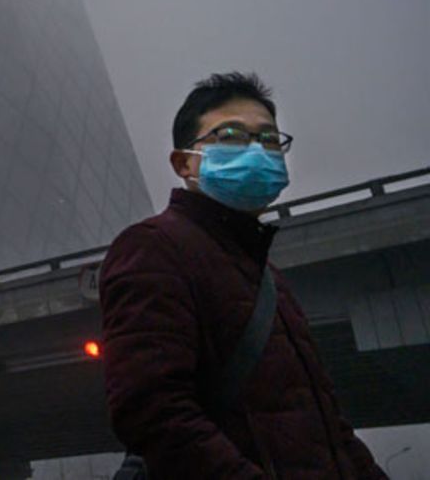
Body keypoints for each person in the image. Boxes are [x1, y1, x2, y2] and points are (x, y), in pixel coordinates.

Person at [99, 72, 384, 478]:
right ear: (184, 162)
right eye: (230, 136)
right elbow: (154, 412)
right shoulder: (153, 248)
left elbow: (328, 427)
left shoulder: (266, 275)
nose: (257, 151)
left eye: (269, 140)